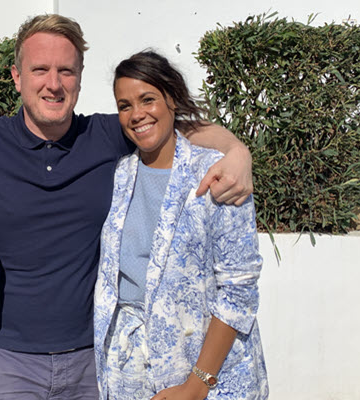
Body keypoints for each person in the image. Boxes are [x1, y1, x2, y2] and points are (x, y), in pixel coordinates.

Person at [0, 14, 254, 399]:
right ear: (17, 77)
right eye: (40, 70)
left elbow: (179, 127)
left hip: (93, 363)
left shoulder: (106, 136)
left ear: (79, 79)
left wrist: (238, 152)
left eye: (66, 71)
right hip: (6, 365)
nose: (53, 84)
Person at [94, 50, 268, 400]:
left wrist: (196, 384)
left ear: (172, 99)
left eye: (148, 99)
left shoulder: (217, 174)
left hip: (207, 375)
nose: (137, 114)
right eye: (125, 105)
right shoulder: (120, 174)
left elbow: (239, 289)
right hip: (129, 374)